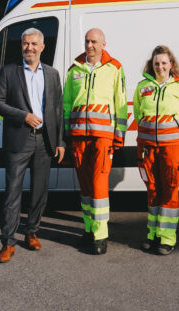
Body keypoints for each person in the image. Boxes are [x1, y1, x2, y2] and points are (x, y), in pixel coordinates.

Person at [0, 27, 65, 263]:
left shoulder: (52, 74)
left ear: (43, 47)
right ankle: (8, 242)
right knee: (13, 192)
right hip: (19, 139)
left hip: (44, 140)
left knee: (39, 191)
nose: (29, 48)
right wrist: (23, 116)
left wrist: (60, 141)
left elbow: (57, 111)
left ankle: (31, 232)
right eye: (25, 44)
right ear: (21, 46)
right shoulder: (8, 72)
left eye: (34, 44)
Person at [63, 28, 127, 254]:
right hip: (79, 136)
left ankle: (100, 237)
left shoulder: (114, 68)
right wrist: (66, 133)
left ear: (103, 44)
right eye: (87, 41)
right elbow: (67, 104)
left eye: (94, 42)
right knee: (85, 186)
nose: (89, 45)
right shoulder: (74, 69)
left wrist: (119, 135)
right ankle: (89, 229)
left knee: (99, 184)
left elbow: (120, 103)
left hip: (102, 137)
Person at [133, 45, 179, 255]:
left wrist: (176, 133)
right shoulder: (143, 87)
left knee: (170, 190)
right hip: (147, 147)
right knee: (152, 190)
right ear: (152, 65)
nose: (160, 67)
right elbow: (137, 112)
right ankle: (153, 235)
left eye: (164, 63)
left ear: (172, 64)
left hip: (173, 148)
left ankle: (167, 239)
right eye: (157, 63)